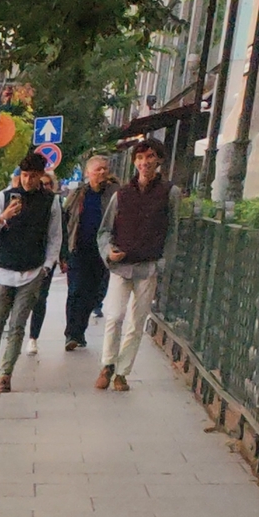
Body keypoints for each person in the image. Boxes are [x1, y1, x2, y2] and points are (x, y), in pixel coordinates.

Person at [0, 152, 68, 392]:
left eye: (33, 176)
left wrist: (47, 267)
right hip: (2, 270)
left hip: (31, 271)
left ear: (41, 176)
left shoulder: (51, 201)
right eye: (25, 175)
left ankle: (6, 374)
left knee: (17, 326)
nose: (28, 181)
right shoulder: (2, 198)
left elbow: (55, 236)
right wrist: (2, 219)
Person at [99, 142, 175, 391]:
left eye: (150, 157)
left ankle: (122, 373)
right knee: (114, 316)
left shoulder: (169, 192)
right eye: (140, 158)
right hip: (121, 266)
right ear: (134, 162)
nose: (145, 162)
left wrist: (164, 262)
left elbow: (174, 231)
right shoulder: (121, 194)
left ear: (159, 160)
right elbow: (105, 230)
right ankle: (107, 364)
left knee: (136, 322)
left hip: (148, 266)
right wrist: (109, 252)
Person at [59, 154, 117, 351]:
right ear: (87, 173)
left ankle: (80, 331)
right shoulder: (77, 195)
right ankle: (71, 334)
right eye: (97, 169)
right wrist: (63, 253)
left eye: (105, 169)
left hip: (102, 252)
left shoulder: (114, 194)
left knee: (94, 293)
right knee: (75, 291)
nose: (102, 172)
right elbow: (64, 221)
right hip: (79, 249)